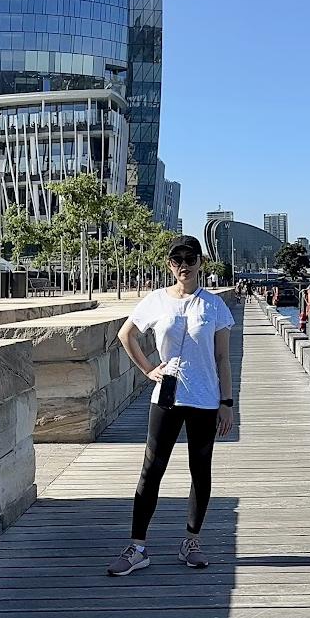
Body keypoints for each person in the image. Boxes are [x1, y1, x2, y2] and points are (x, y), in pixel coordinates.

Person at [108, 236, 236, 576]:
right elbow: (126, 335)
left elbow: (223, 358)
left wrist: (227, 402)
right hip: (167, 396)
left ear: (200, 262)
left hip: (206, 399)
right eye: (177, 259)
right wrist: (149, 370)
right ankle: (137, 547)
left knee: (200, 469)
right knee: (152, 469)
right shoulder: (156, 301)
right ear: (169, 265)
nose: (184, 264)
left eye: (190, 258)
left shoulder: (213, 306)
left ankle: (191, 542)